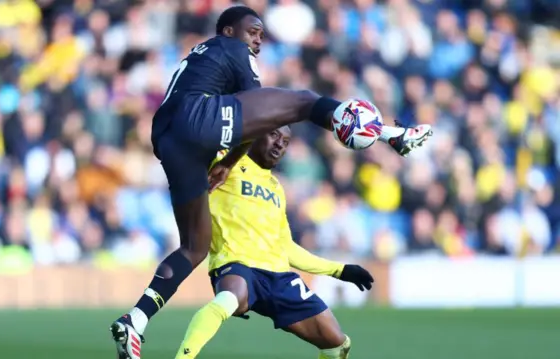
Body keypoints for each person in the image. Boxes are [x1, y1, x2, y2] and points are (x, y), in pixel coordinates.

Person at [111, 6, 431, 359]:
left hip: (168, 139)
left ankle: (136, 320)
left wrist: (226, 163)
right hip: (198, 116)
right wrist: (232, 162)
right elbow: (261, 113)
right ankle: (391, 134)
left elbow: (250, 122)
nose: (259, 38)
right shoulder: (232, 49)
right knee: (305, 102)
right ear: (229, 31)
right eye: (253, 31)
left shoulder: (201, 59)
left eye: (262, 34)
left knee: (194, 248)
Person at [173, 125, 373, 359]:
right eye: (274, 135)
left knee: (337, 345)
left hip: (279, 276)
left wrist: (339, 270)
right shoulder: (225, 164)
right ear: (254, 136)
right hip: (237, 263)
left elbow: (286, 247)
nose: (280, 144)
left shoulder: (276, 188)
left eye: (286, 142)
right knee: (229, 298)